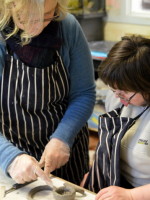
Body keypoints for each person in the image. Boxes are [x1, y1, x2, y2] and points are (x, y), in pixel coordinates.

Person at [0, 0, 96, 185]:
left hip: (65, 147)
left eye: (46, 16)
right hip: (11, 146)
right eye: (26, 18)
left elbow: (84, 93)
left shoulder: (67, 27)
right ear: (10, 5)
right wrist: (11, 157)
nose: (36, 26)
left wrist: (63, 138)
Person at [83, 35, 150, 200]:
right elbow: (108, 143)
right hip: (118, 181)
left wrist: (132, 195)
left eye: (124, 93)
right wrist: (95, 172)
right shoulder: (118, 97)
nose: (119, 99)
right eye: (114, 91)